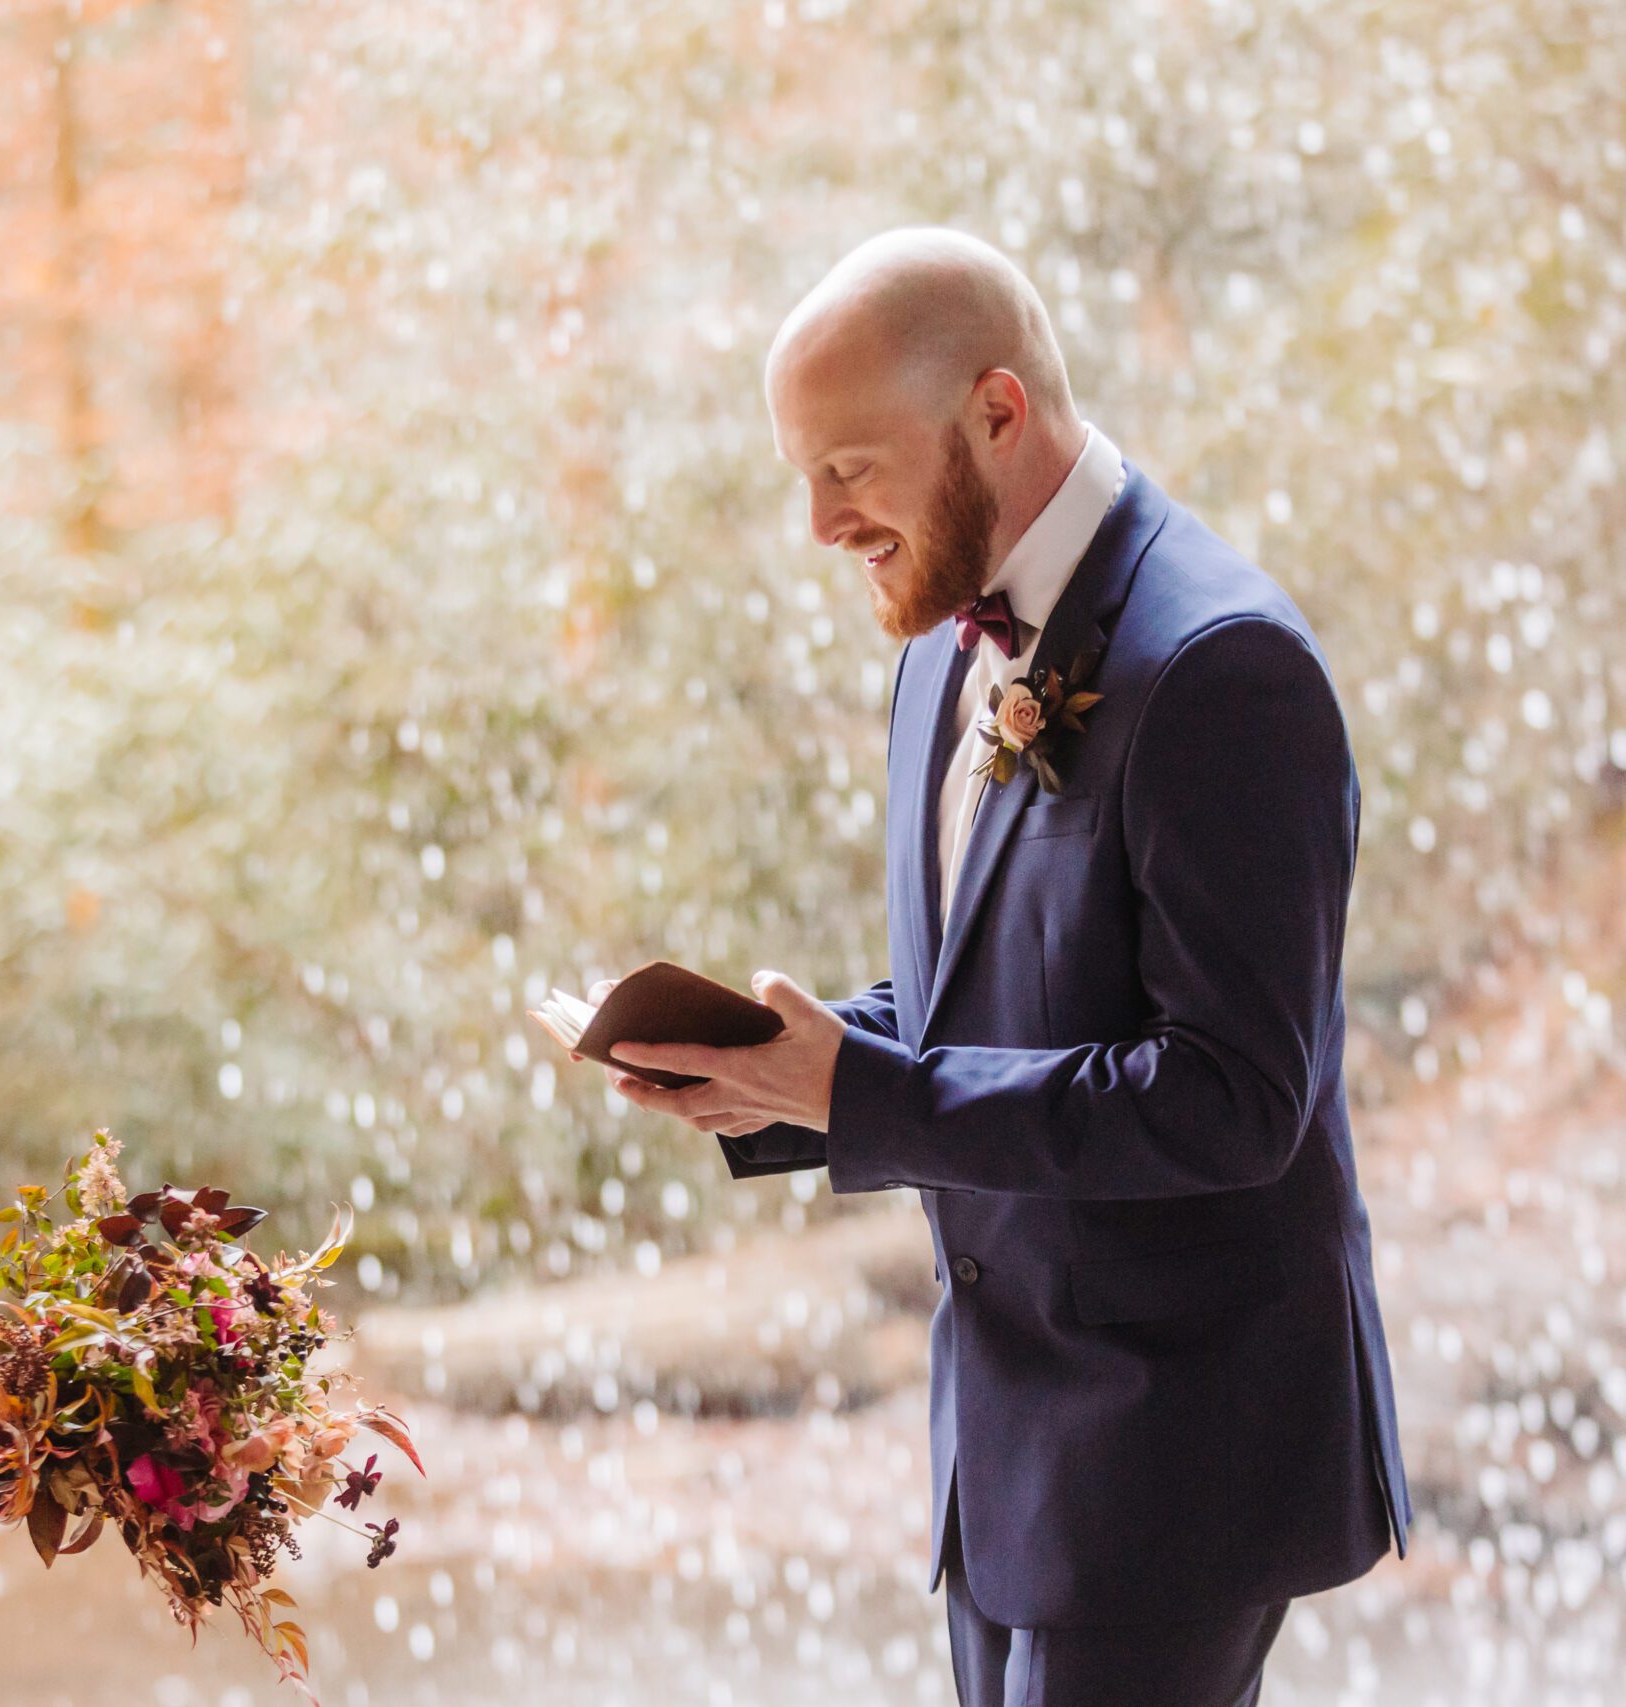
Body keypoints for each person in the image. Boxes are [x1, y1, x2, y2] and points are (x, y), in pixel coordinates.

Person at [602, 229, 1410, 1706]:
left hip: (1182, 1451)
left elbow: (1234, 1099)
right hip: (1004, 1442)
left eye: (848, 466)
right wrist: (778, 1075)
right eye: (803, 474)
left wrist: (875, 1098)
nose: (819, 522)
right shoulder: (934, 642)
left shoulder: (1226, 670)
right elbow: (996, 1001)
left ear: (995, 413)